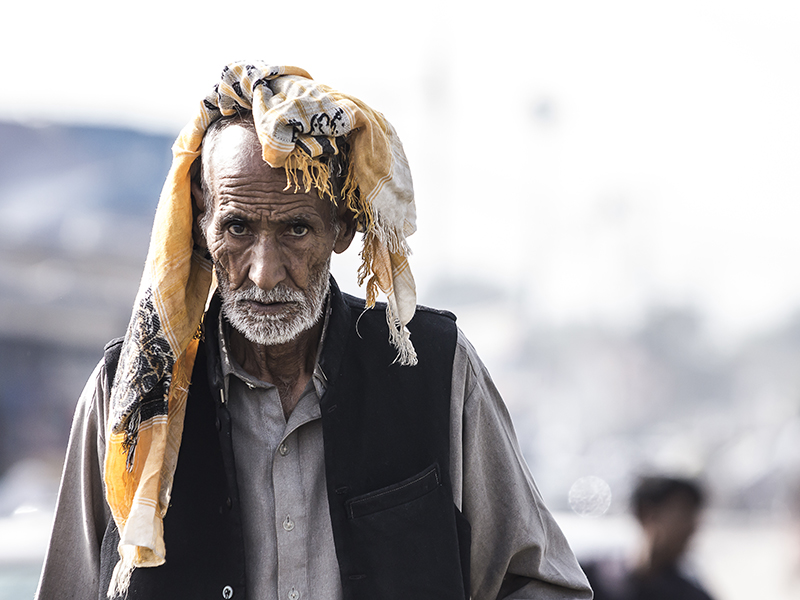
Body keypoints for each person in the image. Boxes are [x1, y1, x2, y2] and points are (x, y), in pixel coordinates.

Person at [35, 61, 592, 600]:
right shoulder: (128, 395)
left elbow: (539, 581)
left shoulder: (433, 372)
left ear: (343, 228)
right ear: (202, 225)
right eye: (237, 228)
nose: (263, 271)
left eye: (296, 229)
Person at [583, 475, 715, 600]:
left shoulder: (691, 595)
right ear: (646, 513)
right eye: (682, 513)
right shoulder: (590, 580)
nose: (691, 527)